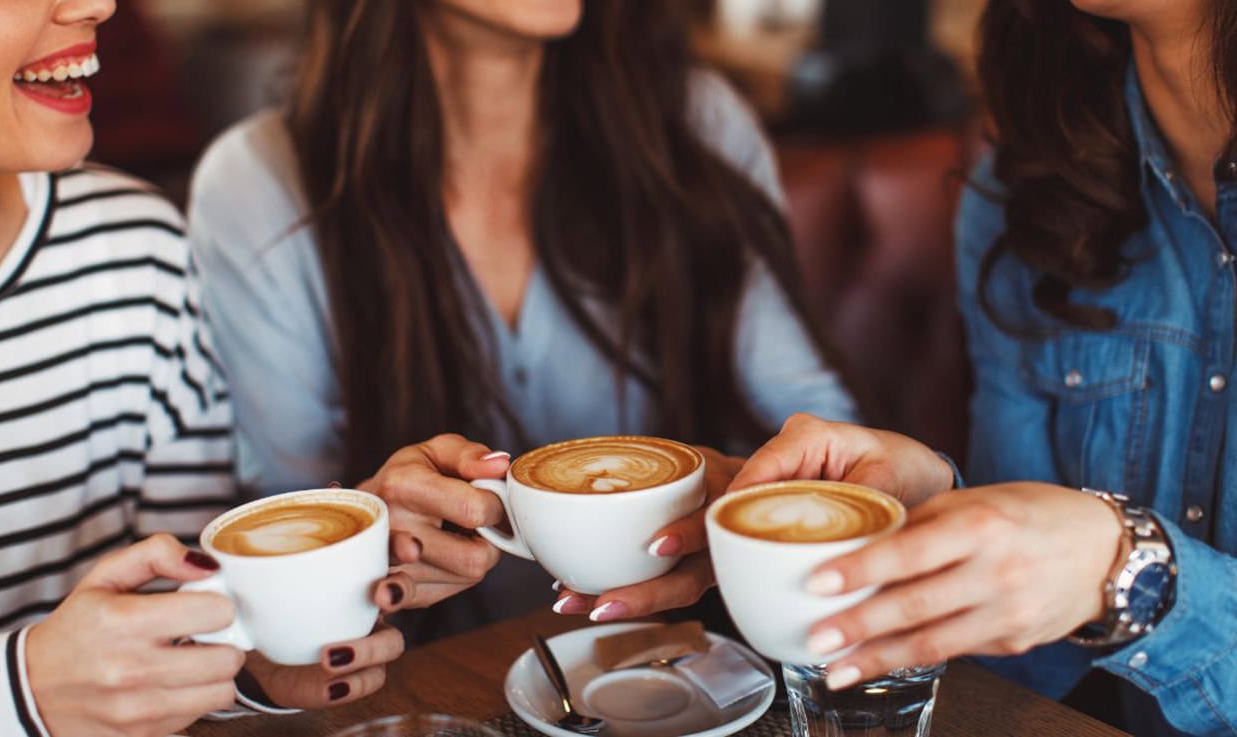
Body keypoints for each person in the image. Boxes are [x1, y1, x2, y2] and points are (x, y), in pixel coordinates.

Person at [188, 0, 856, 640]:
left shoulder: (693, 123)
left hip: (685, 667)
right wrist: (371, 528)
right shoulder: (259, 185)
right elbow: (284, 531)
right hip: (420, 686)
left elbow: (819, 430)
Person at [724, 1, 1237, 734]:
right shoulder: (1029, 190)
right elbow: (1029, 661)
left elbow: (1097, 570)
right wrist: (938, 502)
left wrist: (1133, 574)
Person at [0, 1, 418, 733]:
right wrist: (18, 688)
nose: (98, 3)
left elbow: (170, 621)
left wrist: (257, 647)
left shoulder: (134, 249)